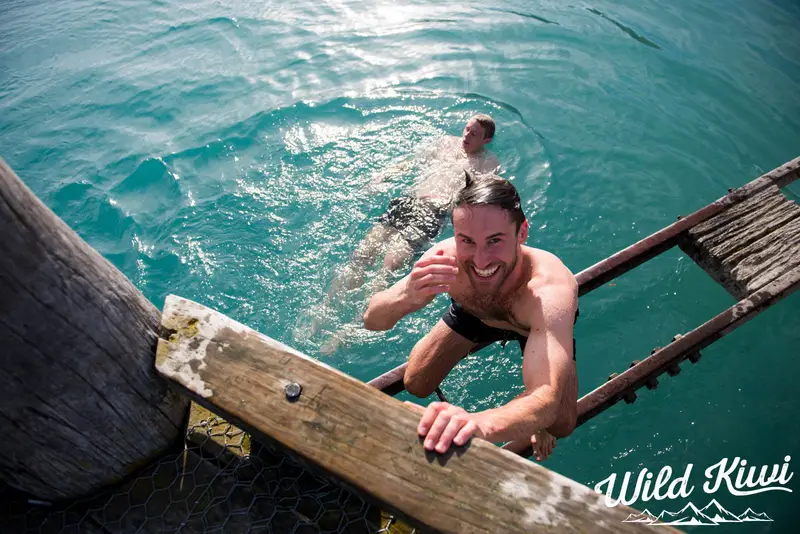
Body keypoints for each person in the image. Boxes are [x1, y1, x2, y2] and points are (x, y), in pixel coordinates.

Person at [362, 174, 579, 461]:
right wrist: (407, 296)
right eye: (467, 240)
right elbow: (372, 320)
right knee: (416, 382)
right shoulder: (445, 260)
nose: (480, 260)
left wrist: (477, 423)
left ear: (522, 233)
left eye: (495, 241)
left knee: (559, 423)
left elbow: (545, 397)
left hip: (532, 325)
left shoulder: (547, 291)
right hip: (475, 312)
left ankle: (534, 423)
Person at [311, 115, 500, 353]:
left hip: (431, 213)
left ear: (487, 139)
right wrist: (382, 177)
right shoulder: (445, 143)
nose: (466, 136)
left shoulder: (487, 162)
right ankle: (321, 314)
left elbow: (483, 196)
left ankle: (346, 331)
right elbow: (409, 162)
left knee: (388, 267)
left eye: (474, 134)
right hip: (407, 202)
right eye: (466, 130)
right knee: (361, 256)